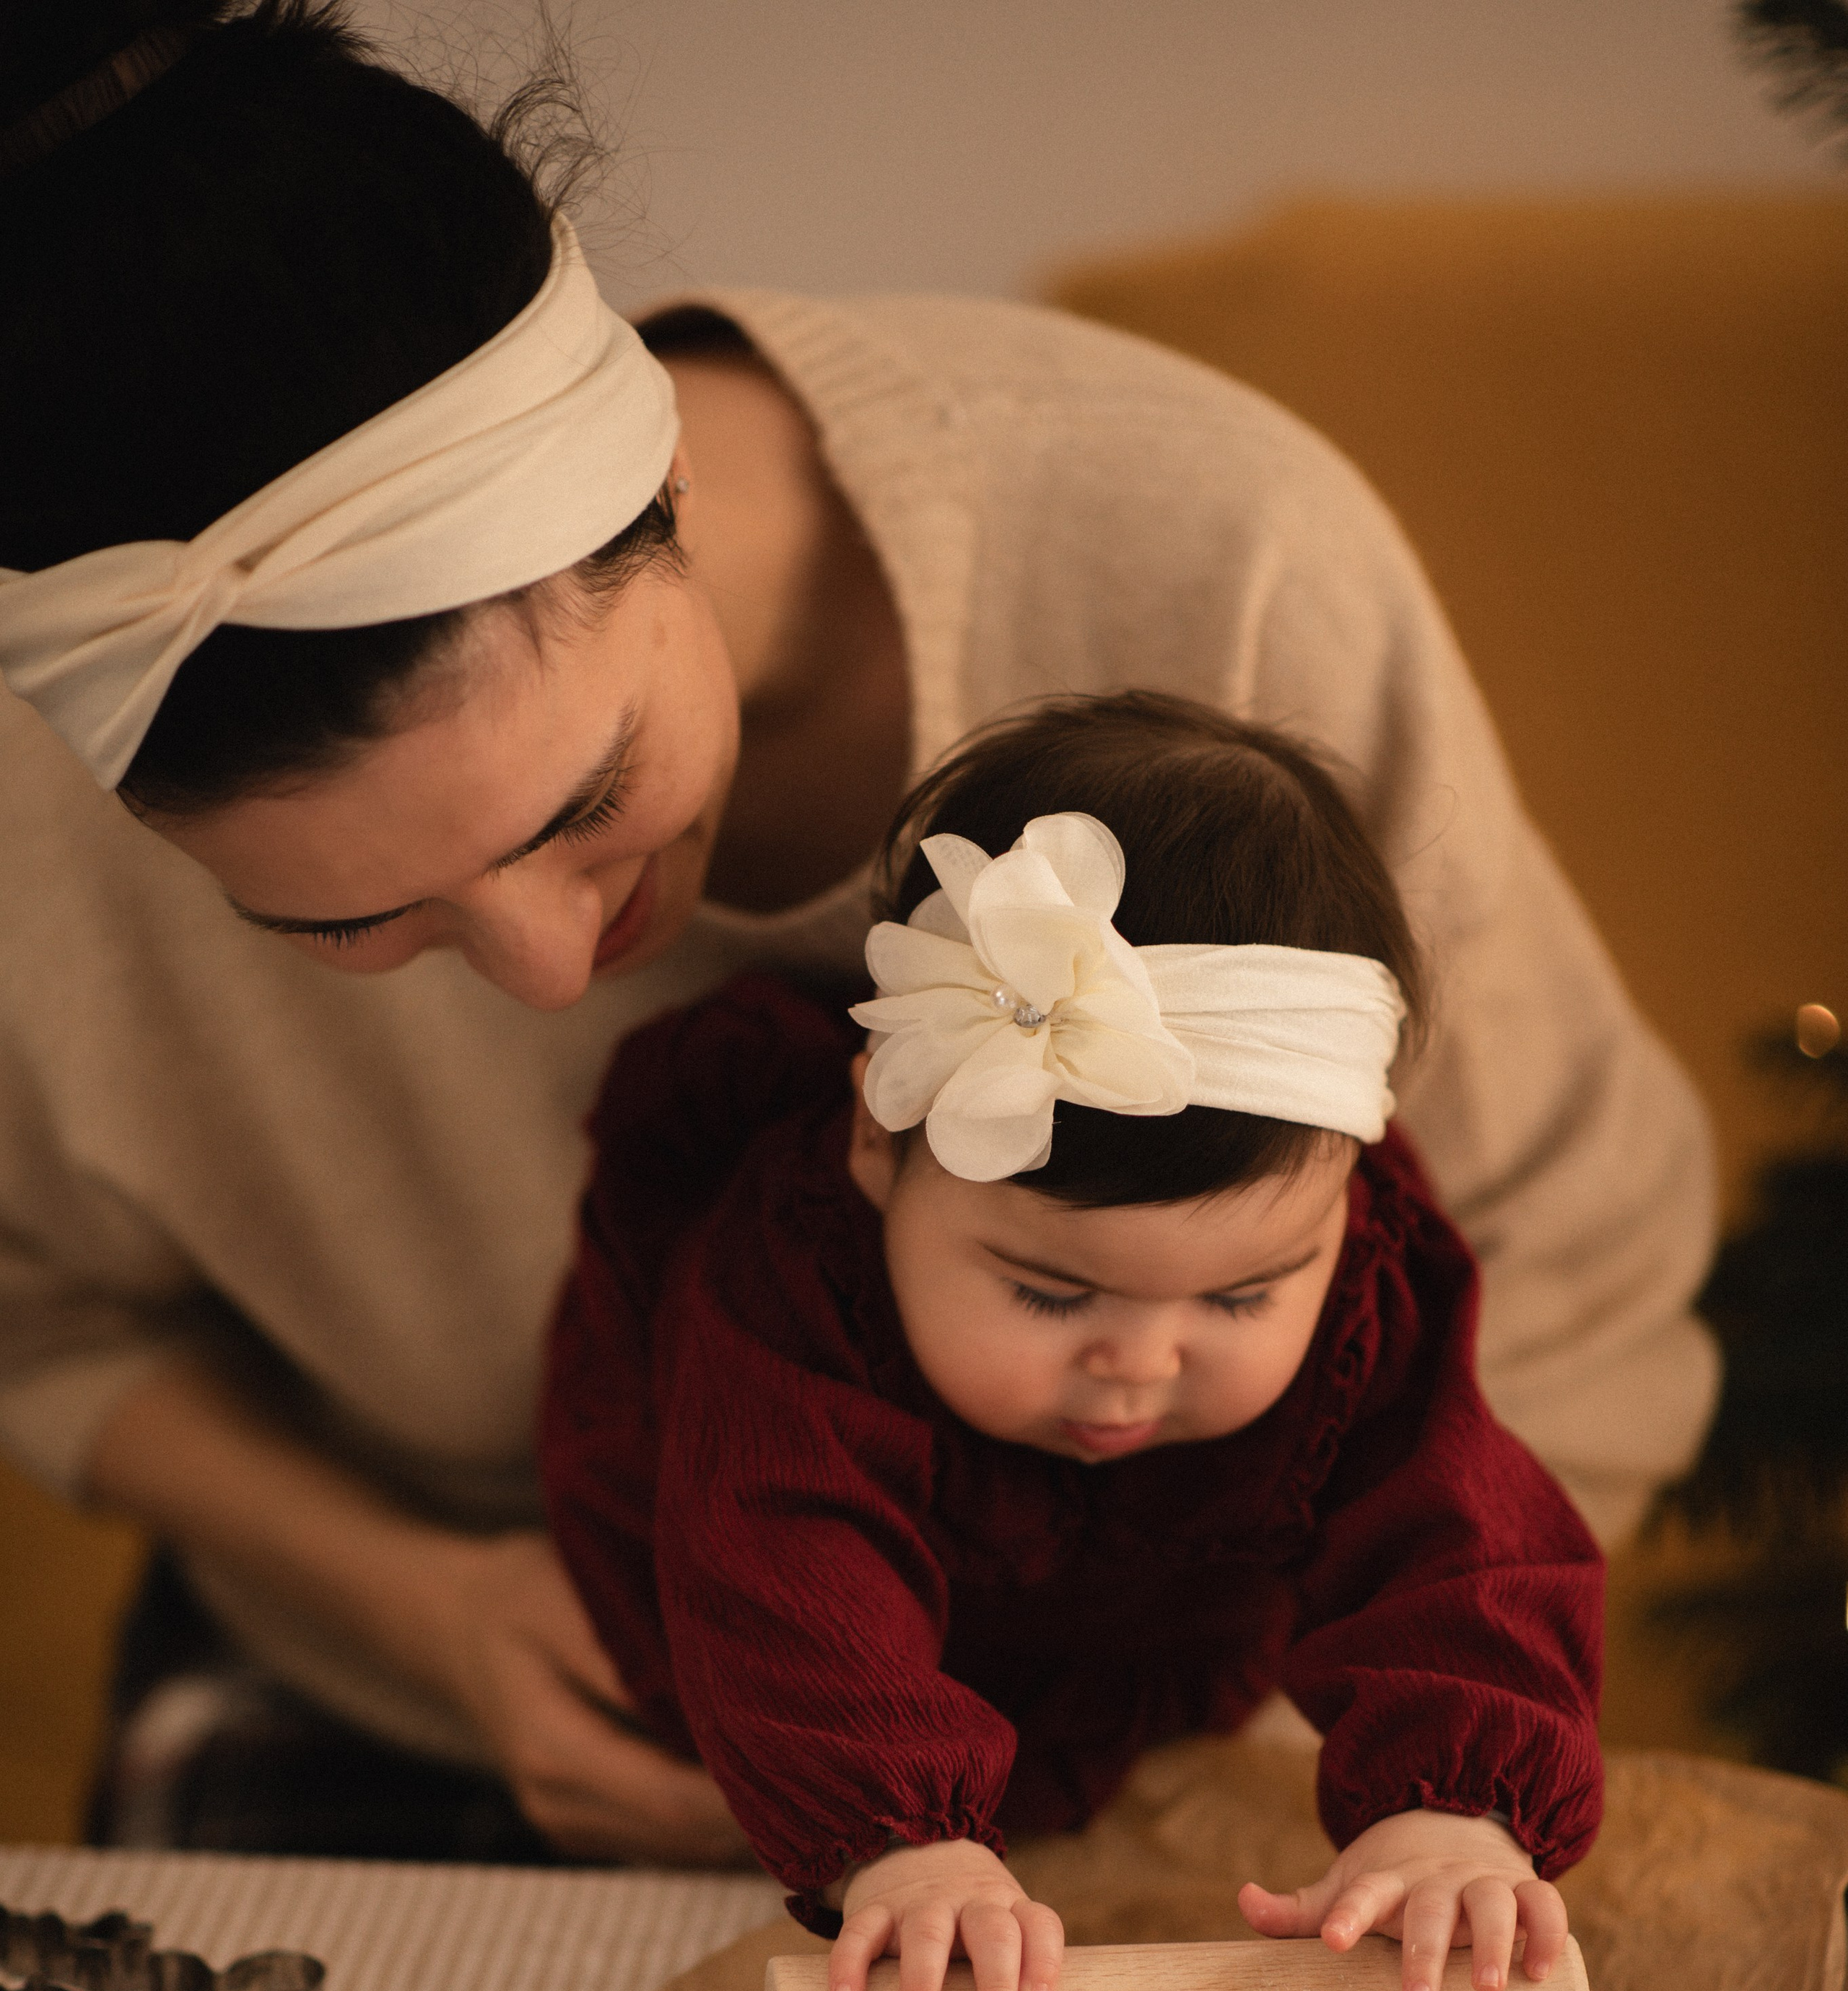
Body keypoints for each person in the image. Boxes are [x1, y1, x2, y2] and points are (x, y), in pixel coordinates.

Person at [0, 0, 1711, 1865]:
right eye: (344, 921)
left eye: (588, 796)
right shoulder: (42, 824)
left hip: (1208, 1727)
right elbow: (39, 1318)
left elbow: (1561, 1273)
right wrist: (433, 1614)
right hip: (411, 1705)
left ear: (663, 481)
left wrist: (1333, 1769)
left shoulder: (1222, 564)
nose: (554, 979)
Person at [542, 694, 1601, 1991]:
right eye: (1051, 1290)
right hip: (766, 1711)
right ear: (876, 1142)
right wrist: (898, 1841)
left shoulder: (1368, 1271)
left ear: (1343, 1191)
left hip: (1144, 1666)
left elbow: (1459, 1530)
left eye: (1244, 1293)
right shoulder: (794, 1272)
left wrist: (1454, 1809)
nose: (1139, 1365)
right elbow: (780, 1557)